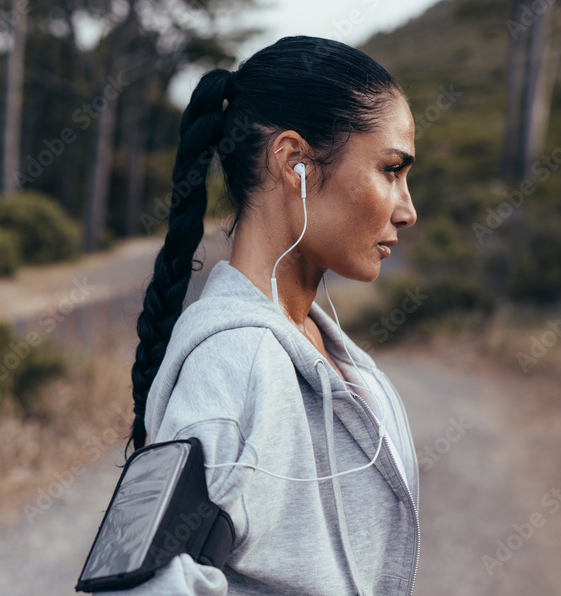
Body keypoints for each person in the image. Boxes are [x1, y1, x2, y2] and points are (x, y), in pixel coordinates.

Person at [122, 36, 420, 594]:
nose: (407, 209)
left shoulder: (315, 342)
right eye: (390, 169)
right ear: (294, 162)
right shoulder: (234, 359)